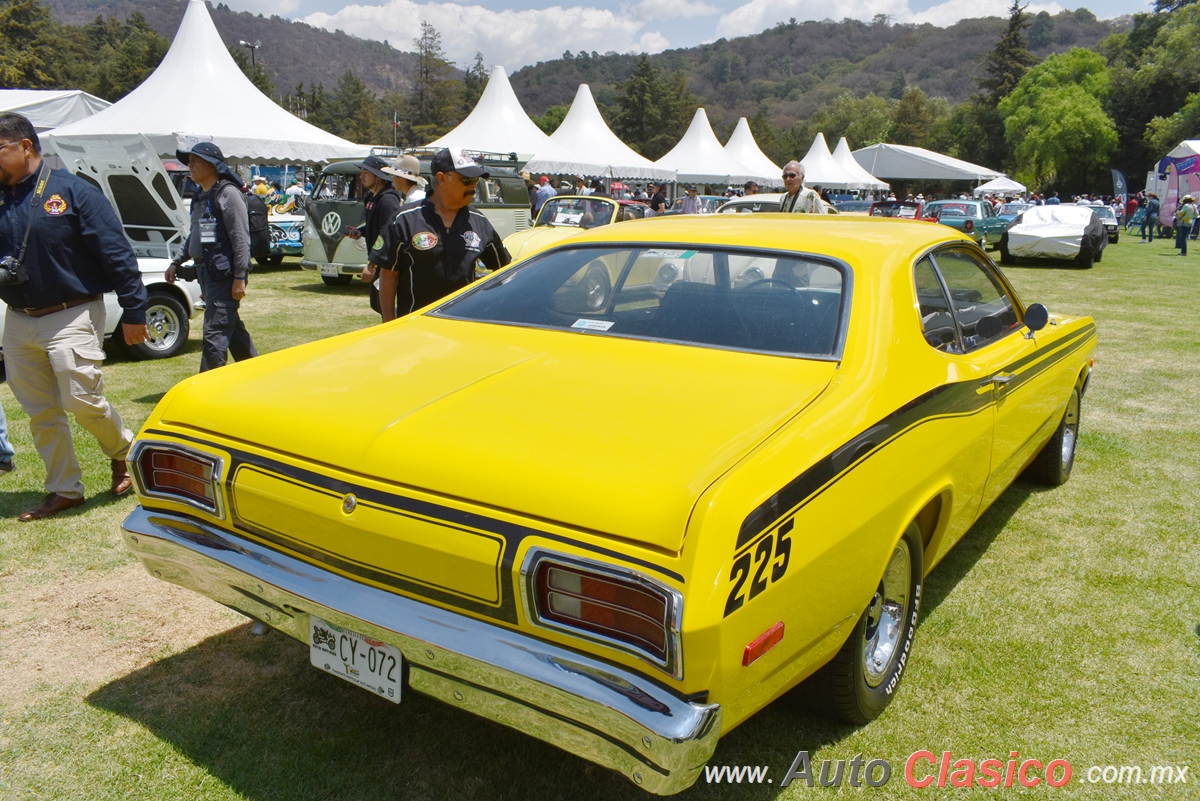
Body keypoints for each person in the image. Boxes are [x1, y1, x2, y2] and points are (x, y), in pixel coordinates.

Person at [0, 112, 149, 520]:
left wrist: (135, 310)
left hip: (71, 312)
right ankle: (65, 489)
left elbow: (116, 253)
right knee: (41, 412)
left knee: (82, 399)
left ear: (25, 147)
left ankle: (124, 452)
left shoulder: (74, 192)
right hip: (17, 318)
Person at [370, 149, 511, 322]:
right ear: (442, 179)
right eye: (466, 179)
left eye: (475, 179)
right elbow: (388, 275)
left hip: (464, 330)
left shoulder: (479, 222)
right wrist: (390, 324)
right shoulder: (405, 220)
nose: (473, 185)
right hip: (416, 331)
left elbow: (505, 271)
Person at [169, 141, 257, 372]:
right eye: (189, 161)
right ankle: (258, 374)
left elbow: (241, 239)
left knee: (215, 333)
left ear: (212, 166)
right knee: (231, 328)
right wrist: (177, 261)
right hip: (206, 275)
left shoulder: (228, 194)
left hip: (223, 277)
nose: (190, 165)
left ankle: (208, 388)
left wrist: (240, 277)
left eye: (195, 160)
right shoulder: (201, 195)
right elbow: (194, 235)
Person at [346, 155, 405, 320]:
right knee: (376, 303)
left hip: (385, 264)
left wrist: (373, 264)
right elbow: (378, 226)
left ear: (378, 175)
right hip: (378, 261)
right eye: (362, 172)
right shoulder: (371, 198)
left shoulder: (388, 200)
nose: (362, 176)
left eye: (367, 172)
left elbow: (389, 234)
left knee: (386, 308)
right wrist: (361, 231)